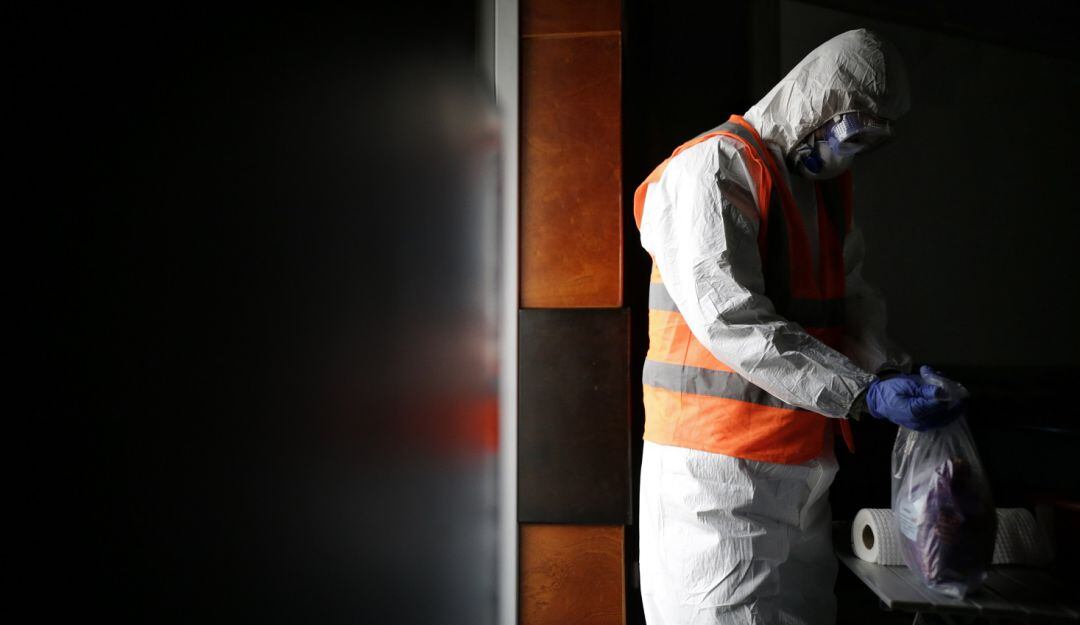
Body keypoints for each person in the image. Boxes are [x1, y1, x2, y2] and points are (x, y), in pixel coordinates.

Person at [633, 29, 965, 625]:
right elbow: (730, 318)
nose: (849, 153)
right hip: (715, 481)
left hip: (804, 471)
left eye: (868, 141)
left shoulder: (823, 192)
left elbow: (849, 303)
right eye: (850, 132)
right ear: (815, 101)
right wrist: (862, 392)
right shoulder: (714, 168)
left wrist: (891, 369)